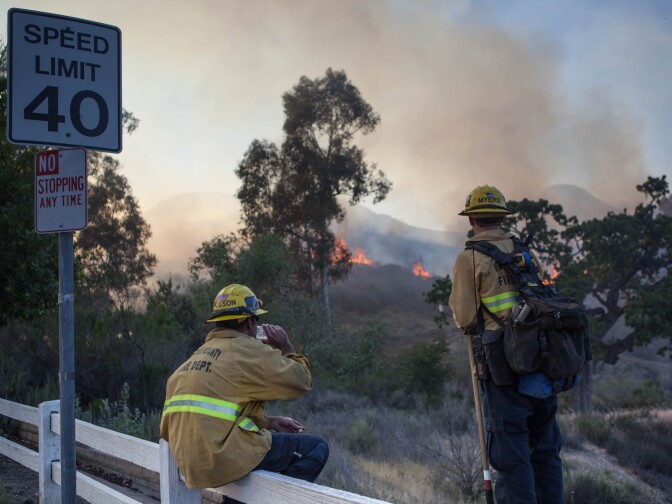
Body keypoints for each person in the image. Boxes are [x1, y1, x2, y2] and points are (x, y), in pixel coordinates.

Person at [448, 185, 564, 504]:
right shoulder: (525, 252)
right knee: (546, 453)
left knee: (511, 457)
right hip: (541, 364)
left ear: (471, 218)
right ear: (502, 217)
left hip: (503, 371)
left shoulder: (469, 259)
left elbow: (465, 318)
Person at [159, 284, 329, 489]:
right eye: (256, 319)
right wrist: (285, 346)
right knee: (316, 448)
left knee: (255, 455)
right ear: (250, 322)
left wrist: (269, 422)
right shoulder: (247, 350)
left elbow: (216, 414)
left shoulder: (193, 360)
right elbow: (301, 380)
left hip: (190, 463)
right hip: (221, 460)